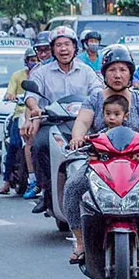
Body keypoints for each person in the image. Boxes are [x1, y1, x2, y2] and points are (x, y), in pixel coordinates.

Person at [65, 46, 139, 265]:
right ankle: (80, 242)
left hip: (138, 163)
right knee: (72, 186)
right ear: (104, 73)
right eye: (112, 69)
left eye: (123, 70)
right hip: (100, 163)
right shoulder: (94, 99)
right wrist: (76, 138)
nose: (117, 75)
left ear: (130, 73)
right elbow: (83, 122)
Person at [24, 27, 102, 215]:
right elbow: (30, 95)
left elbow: (98, 92)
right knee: (39, 146)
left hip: (83, 123)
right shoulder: (41, 72)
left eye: (67, 44)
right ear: (53, 49)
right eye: (59, 45)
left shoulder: (86, 71)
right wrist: (34, 107)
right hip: (52, 123)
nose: (63, 49)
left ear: (75, 47)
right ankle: (46, 190)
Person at [0, 47, 37, 195]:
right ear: (26, 61)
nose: (35, 62)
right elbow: (10, 92)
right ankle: (7, 182)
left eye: (37, 59)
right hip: (20, 115)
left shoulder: (43, 74)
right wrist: (11, 96)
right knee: (14, 144)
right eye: (32, 60)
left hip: (39, 116)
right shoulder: (17, 76)